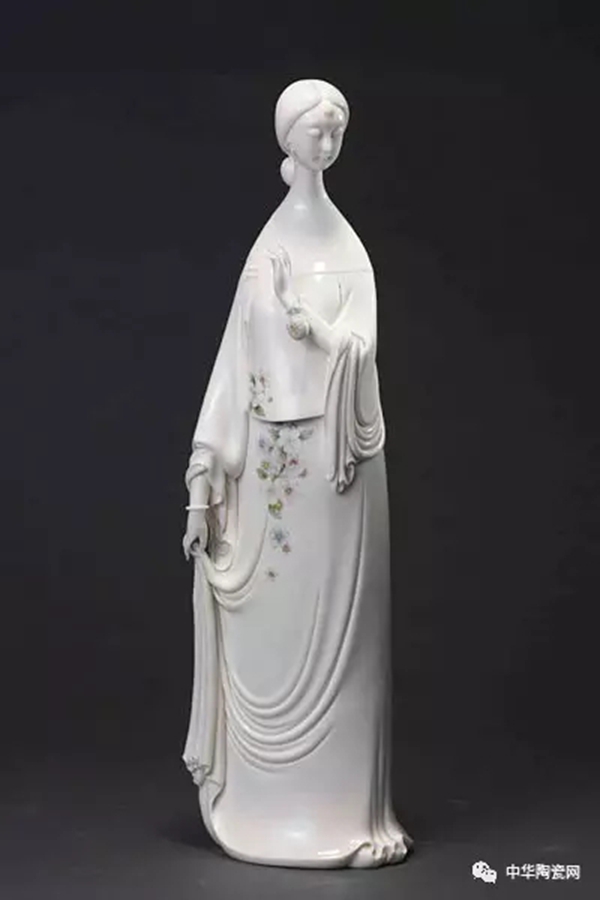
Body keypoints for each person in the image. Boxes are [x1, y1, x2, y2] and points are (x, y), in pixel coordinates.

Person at [181, 78, 412, 868]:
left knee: (348, 645)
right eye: (318, 127)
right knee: (270, 636)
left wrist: (306, 323)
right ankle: (264, 806)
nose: (329, 139)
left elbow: (362, 348)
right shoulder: (266, 252)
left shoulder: (347, 251)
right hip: (268, 470)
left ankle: (345, 815)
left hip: (334, 467)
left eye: (338, 127)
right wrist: (204, 477)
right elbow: (233, 364)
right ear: (288, 137)